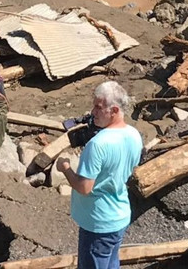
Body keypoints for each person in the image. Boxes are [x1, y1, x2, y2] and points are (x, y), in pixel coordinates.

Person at [56, 81, 142, 269]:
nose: (93, 112)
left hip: (98, 222)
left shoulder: (98, 145)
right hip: (119, 214)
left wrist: (65, 168)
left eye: (98, 107)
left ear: (114, 110)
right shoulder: (134, 135)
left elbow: (84, 188)